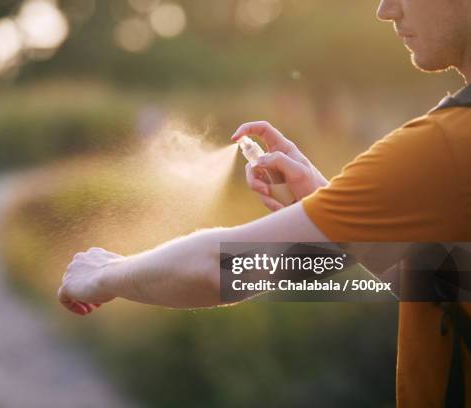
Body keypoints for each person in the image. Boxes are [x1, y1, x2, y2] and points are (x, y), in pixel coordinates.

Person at [57, 0, 471, 406]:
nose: (386, 9)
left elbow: (223, 268)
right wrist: (330, 207)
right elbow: (447, 287)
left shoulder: (445, 145)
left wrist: (105, 272)